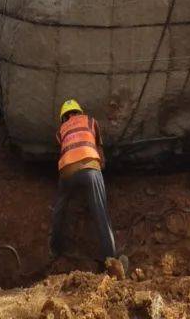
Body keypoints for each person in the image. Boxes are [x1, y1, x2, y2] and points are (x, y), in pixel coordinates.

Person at [50, 100, 119, 269]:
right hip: (90, 167)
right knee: (101, 213)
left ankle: (56, 249)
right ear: (79, 112)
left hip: (66, 170)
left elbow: (65, 148)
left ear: (64, 117)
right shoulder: (91, 121)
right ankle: (111, 260)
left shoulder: (61, 130)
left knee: (59, 209)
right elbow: (100, 152)